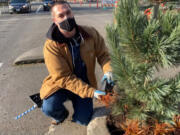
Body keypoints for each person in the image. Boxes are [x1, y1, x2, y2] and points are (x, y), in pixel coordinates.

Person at [40, 0, 113, 126]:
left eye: (68, 13)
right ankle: (60, 116)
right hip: (62, 85)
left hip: (85, 82)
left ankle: (80, 108)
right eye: (61, 16)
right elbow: (63, 77)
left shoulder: (90, 33)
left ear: (72, 13)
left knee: (83, 120)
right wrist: (92, 92)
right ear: (55, 21)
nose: (66, 17)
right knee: (49, 107)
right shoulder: (51, 46)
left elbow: (103, 54)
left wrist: (108, 70)